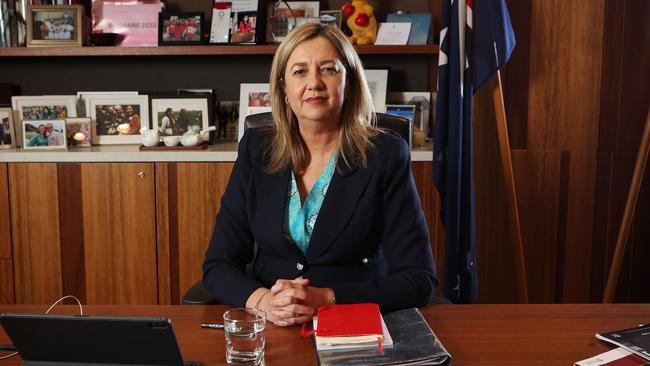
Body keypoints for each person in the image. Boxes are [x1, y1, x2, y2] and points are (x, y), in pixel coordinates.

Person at [202, 23, 437, 327]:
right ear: (283, 88)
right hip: (271, 326)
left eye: (328, 69)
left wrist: (326, 297)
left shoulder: (385, 155)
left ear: (349, 82)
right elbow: (219, 264)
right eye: (299, 71)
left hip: (353, 325)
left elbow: (419, 278)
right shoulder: (257, 149)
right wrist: (264, 301)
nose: (314, 82)